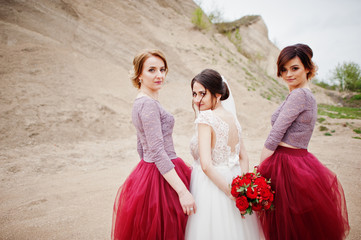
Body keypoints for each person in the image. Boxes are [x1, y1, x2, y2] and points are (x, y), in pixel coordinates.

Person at [258, 43, 350, 240]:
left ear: (308, 68)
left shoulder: (299, 95)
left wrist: (261, 168)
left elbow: (275, 134)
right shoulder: (301, 94)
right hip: (297, 161)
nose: (288, 74)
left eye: (295, 68)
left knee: (287, 227)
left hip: (287, 164)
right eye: (284, 69)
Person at [111, 49, 196, 240]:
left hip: (150, 170)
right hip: (162, 171)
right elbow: (157, 151)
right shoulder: (148, 104)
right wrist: (182, 191)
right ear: (139, 74)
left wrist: (146, 176)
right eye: (152, 70)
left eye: (162, 69)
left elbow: (141, 146)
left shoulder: (140, 102)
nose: (159, 75)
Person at [185, 69, 260, 240]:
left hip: (210, 187)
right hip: (232, 178)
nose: (197, 100)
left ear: (218, 94)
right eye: (194, 94)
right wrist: (241, 186)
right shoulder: (232, 117)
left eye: (202, 94)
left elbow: (206, 165)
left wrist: (230, 193)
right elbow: (244, 157)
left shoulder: (206, 119)